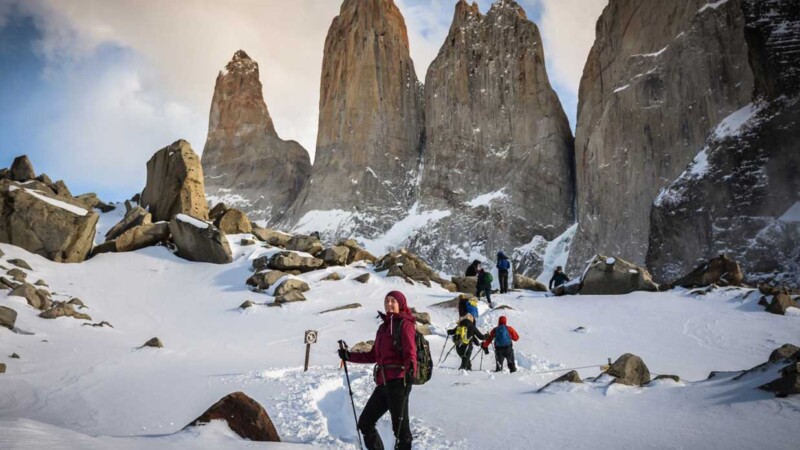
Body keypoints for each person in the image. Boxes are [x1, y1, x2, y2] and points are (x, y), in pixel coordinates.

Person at [338, 291, 416, 450]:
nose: (389, 304)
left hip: (399, 383)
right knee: (365, 423)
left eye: (393, 301)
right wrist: (348, 356)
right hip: (383, 384)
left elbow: (410, 353)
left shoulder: (405, 324)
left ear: (401, 304)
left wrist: (410, 373)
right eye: (386, 300)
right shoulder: (383, 327)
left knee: (401, 432)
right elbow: (373, 355)